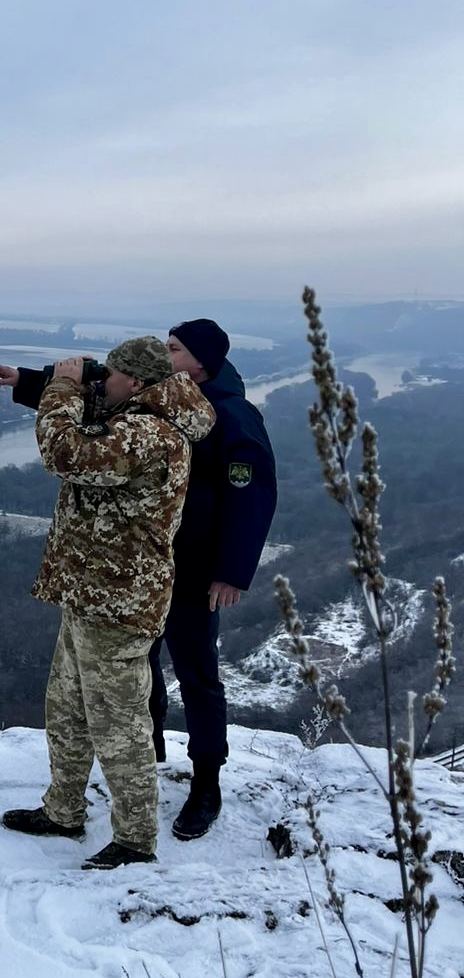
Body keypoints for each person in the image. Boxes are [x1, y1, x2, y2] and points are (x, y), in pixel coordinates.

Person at [0, 338, 214, 869]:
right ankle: (63, 810)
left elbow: (65, 453)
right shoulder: (137, 411)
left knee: (119, 721)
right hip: (90, 590)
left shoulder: (149, 433)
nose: (99, 382)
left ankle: (135, 839)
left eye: (108, 375)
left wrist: (63, 384)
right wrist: (30, 379)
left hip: (119, 600)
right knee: (67, 705)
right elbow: (91, 407)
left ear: (135, 383)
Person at [151, 319, 277, 839]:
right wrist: (24, 380)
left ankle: (207, 783)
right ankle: (148, 755)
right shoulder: (161, 396)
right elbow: (101, 380)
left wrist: (231, 571)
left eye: (174, 348)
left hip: (196, 572)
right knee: (137, 666)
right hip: (145, 566)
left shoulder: (231, 414)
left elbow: (252, 495)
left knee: (197, 675)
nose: (165, 354)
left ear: (200, 361)